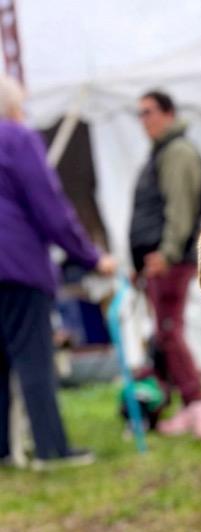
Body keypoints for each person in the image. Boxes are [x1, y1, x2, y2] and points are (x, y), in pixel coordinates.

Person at [0, 75, 116, 468]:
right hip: (15, 266)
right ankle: (51, 449)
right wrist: (90, 257)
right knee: (33, 358)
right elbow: (48, 206)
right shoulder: (15, 138)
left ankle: (3, 449)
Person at [129, 89, 201, 439]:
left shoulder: (178, 152)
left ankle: (200, 401)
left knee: (169, 331)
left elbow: (179, 210)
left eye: (148, 112)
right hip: (154, 262)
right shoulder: (161, 153)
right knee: (165, 333)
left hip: (168, 261)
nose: (143, 120)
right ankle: (186, 404)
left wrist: (166, 253)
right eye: (138, 113)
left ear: (168, 113)